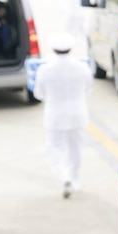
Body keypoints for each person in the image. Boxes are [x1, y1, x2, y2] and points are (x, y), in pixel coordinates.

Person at [35, 32, 91, 198]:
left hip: (55, 115)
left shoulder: (45, 69)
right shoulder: (82, 67)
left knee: (54, 148)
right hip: (78, 114)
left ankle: (63, 178)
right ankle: (74, 180)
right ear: (70, 49)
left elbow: (39, 94)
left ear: (53, 50)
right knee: (76, 148)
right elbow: (88, 89)